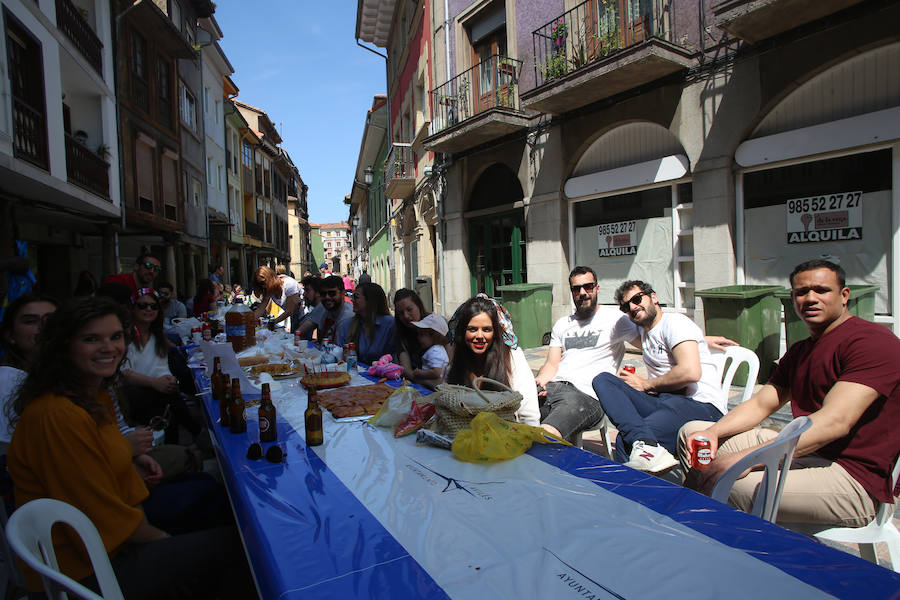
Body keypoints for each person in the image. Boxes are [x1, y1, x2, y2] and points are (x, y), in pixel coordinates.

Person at [6, 296, 256, 599]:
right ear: (64, 345)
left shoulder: (91, 396)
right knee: (248, 548)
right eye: (91, 339)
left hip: (116, 536)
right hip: (93, 572)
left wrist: (129, 461)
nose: (109, 348)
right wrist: (166, 544)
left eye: (115, 337)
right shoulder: (57, 415)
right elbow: (106, 519)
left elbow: (98, 465)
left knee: (219, 500)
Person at [679, 260, 900, 528]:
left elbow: (835, 422)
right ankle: (694, 528)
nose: (810, 298)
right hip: (806, 453)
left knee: (731, 485)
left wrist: (746, 458)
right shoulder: (801, 350)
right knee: (694, 436)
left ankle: (734, 548)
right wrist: (713, 433)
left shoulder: (871, 342)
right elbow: (762, 403)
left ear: (844, 296)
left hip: (853, 477)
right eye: (801, 292)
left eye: (821, 290)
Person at [592, 280, 725, 472]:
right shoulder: (643, 331)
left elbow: (691, 372)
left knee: (624, 441)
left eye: (637, 299)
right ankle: (644, 441)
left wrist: (646, 384)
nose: (632, 307)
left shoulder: (675, 322)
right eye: (625, 306)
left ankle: (638, 491)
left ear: (653, 297)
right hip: (665, 401)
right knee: (603, 380)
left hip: (701, 407)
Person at [534, 266, 639, 443]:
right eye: (576, 289)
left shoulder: (615, 319)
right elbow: (551, 365)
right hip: (554, 388)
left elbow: (649, 342)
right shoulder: (562, 324)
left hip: (587, 396)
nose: (582, 293)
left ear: (597, 288)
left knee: (545, 434)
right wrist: (538, 384)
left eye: (588, 287)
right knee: (516, 419)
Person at [121, 289, 201, 444]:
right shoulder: (124, 338)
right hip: (132, 396)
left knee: (169, 402)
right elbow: (124, 374)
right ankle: (195, 432)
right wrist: (155, 383)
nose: (148, 309)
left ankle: (181, 444)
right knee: (169, 401)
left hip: (158, 393)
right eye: (143, 305)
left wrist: (170, 381)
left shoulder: (157, 338)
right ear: (133, 308)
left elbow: (161, 367)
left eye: (153, 306)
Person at [445, 296, 540, 426]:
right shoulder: (456, 355)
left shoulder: (512, 356)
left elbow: (529, 414)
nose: (479, 336)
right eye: (472, 329)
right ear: (463, 331)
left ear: (495, 332)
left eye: (486, 329)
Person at [0, 294, 59, 445]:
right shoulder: (6, 381)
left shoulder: (77, 375)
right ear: (10, 335)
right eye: (30, 321)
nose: (42, 327)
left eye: (50, 320)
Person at [336, 282, 396, 364]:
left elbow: (395, 357)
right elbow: (338, 355)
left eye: (356, 297)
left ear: (370, 300)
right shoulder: (345, 326)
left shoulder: (390, 324)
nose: (352, 300)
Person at [295, 275, 353, 341]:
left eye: (332, 293)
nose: (327, 297)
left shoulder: (348, 317)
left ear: (343, 293)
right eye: (323, 294)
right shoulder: (324, 307)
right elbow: (300, 331)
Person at [393, 288, 431, 380]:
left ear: (419, 306)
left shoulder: (436, 326)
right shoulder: (401, 335)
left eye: (409, 309)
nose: (405, 316)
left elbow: (450, 363)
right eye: (401, 313)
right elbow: (406, 370)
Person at [251, 266, 301, 330]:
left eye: (263, 282)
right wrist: (249, 321)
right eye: (259, 284)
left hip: (304, 316)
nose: (263, 286)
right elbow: (261, 308)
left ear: (269, 278)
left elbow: (289, 311)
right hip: (294, 317)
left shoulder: (289, 284)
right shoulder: (269, 290)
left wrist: (272, 322)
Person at [409, 314, 449, 387]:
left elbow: (436, 372)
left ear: (434, 336)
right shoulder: (438, 349)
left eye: (422, 335)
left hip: (433, 386)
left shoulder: (435, 351)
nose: (418, 338)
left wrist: (419, 373)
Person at [295, 275, 321, 339]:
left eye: (307, 290)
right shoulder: (318, 309)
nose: (304, 294)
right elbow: (300, 331)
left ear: (318, 292)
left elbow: (299, 332)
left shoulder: (322, 308)